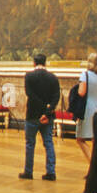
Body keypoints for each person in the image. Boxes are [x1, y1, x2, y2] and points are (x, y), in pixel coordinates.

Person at [20, 53, 61, 181]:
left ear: (34, 63)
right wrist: (47, 111)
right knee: (48, 142)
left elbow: (30, 94)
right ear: (45, 62)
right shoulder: (53, 77)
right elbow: (56, 97)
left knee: (30, 144)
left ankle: (28, 171)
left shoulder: (29, 76)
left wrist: (42, 109)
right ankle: (51, 172)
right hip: (47, 117)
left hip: (32, 114)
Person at [74, 52, 97, 162]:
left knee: (80, 139)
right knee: (95, 138)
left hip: (88, 108)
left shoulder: (85, 75)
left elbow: (81, 92)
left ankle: (93, 164)